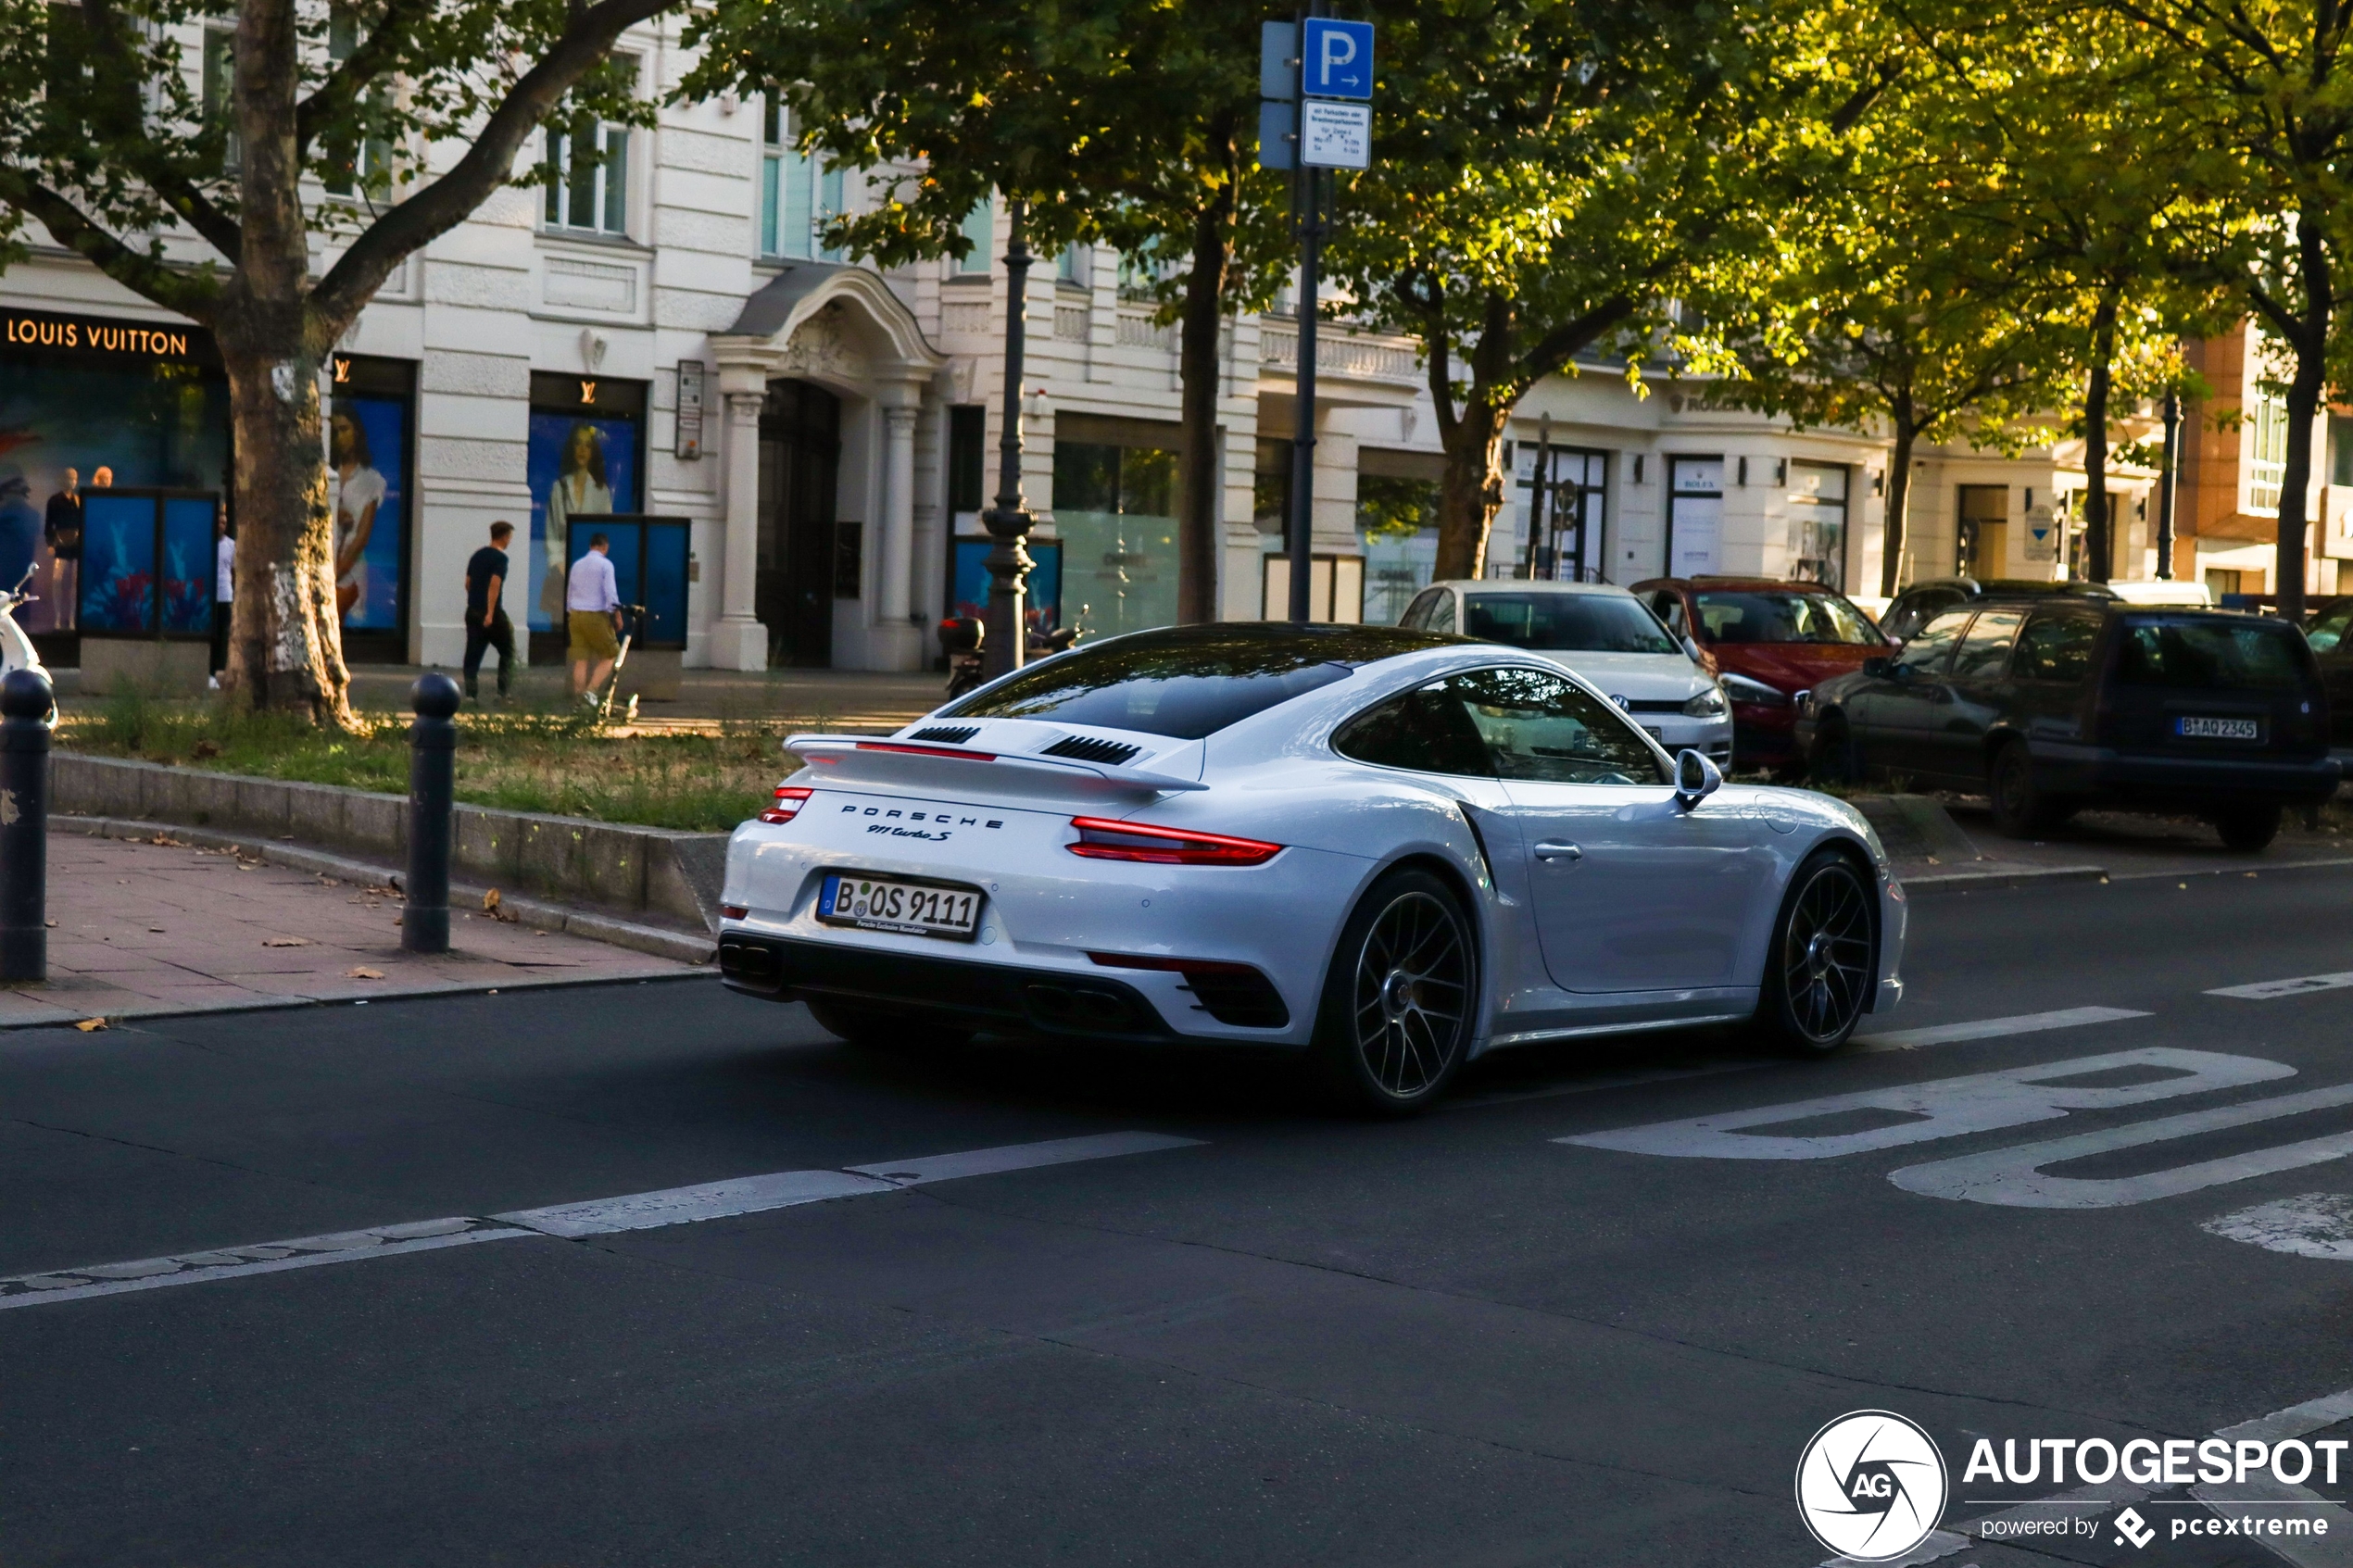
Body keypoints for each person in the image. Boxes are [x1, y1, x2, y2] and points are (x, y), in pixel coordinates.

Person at [541, 421, 611, 621]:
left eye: (587, 445)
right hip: (562, 576)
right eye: (578, 444)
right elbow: (551, 533)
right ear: (571, 448)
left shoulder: (601, 492)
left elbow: (605, 533)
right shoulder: (559, 488)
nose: (582, 450)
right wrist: (559, 565)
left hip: (590, 578)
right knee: (560, 629)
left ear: (593, 452)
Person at [329, 408, 383, 623]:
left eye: (345, 429)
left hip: (349, 567)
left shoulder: (371, 479)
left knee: (333, 622)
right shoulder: (327, 472)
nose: (340, 437)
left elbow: (362, 537)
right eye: (335, 432)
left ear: (357, 432)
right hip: (327, 561)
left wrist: (335, 573)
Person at [463, 521, 517, 701]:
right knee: (508, 651)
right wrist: (490, 613)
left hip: (472, 611)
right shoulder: (500, 559)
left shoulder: (476, 556)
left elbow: (468, 583)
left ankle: (471, 695)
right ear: (503, 537)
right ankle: (502, 693)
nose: (510, 540)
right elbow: (495, 585)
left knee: (473, 654)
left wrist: (476, 600)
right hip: (491, 612)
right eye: (509, 536)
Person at [566, 532, 623, 702]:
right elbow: (611, 594)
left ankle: (578, 699)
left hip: (575, 615)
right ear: (605, 547)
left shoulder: (577, 565)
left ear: (591, 545)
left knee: (581, 660)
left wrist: (571, 610)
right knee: (611, 654)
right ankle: (589, 693)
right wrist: (618, 616)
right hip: (595, 615)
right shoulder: (606, 565)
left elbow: (570, 592)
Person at [44, 467, 81, 630]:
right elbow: (48, 524)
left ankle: (72, 619)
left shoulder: (79, 500)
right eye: (69, 478)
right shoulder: (54, 500)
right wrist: (51, 544)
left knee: (75, 582)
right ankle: (58, 617)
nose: (72, 481)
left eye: (74, 478)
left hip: (76, 544)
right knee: (57, 580)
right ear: (63, 480)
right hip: (60, 542)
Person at [209, 512, 233, 685]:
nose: (221, 526)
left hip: (225, 595)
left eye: (224, 523)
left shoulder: (231, 545)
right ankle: (209, 672)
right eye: (219, 522)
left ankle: (218, 671)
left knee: (222, 635)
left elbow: (235, 570)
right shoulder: (205, 543)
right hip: (208, 595)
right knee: (210, 635)